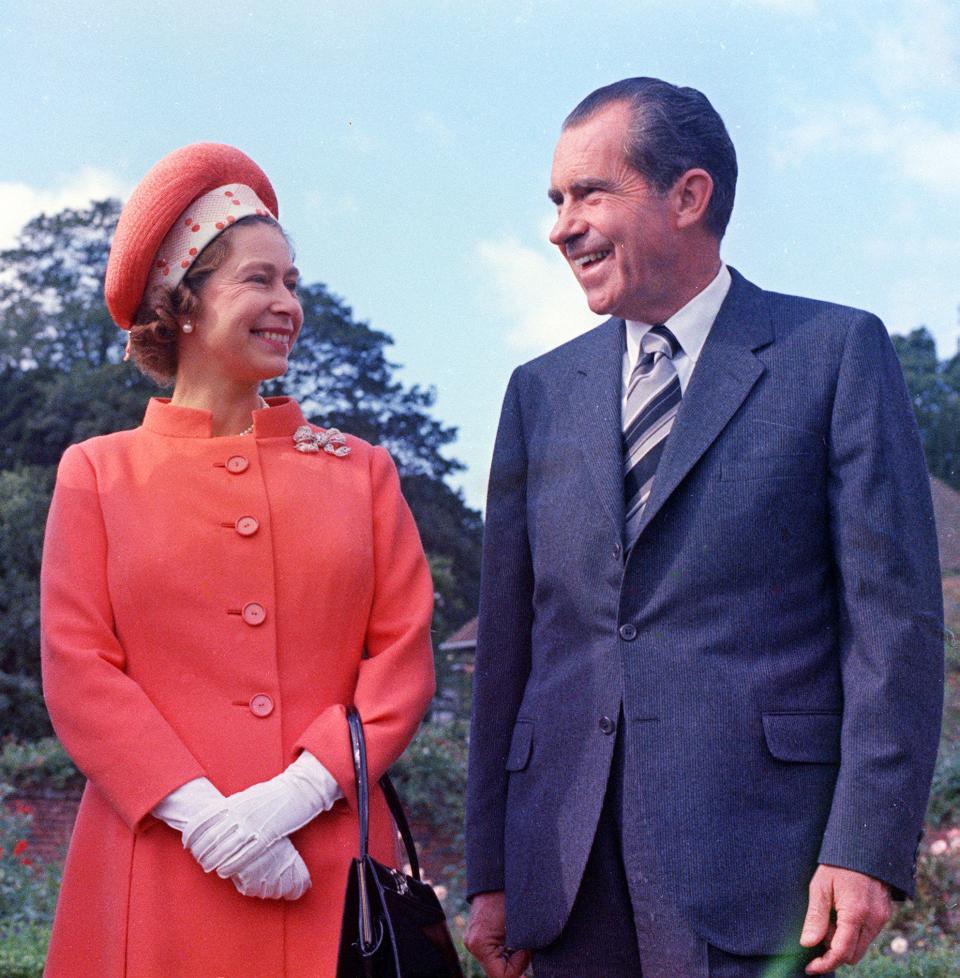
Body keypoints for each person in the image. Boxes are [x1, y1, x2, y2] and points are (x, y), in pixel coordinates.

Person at [464, 78, 944, 978]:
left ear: (688, 196)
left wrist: (868, 844)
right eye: (556, 200)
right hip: (561, 878)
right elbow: (508, 651)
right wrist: (490, 869)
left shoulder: (832, 354)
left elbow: (895, 627)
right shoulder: (538, 392)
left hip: (761, 867)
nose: (561, 226)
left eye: (590, 193)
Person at [40, 142, 435, 978]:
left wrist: (296, 796)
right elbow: (79, 670)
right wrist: (203, 819)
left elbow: (400, 661)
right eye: (259, 280)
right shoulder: (98, 473)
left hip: (332, 868)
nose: (287, 302)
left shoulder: (361, 472)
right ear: (183, 300)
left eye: (292, 282)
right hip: (155, 866)